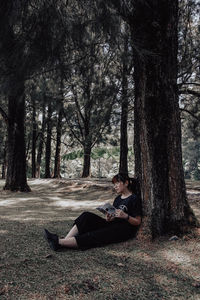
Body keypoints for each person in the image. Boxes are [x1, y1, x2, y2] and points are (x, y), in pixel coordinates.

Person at [44, 173, 142, 251]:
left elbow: (137, 221)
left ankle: (59, 242)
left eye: (117, 183)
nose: (115, 186)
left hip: (123, 230)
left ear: (126, 183)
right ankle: (64, 240)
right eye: (114, 184)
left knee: (95, 235)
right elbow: (113, 217)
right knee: (86, 216)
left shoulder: (134, 199)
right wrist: (109, 218)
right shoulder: (117, 199)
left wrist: (126, 216)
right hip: (113, 225)